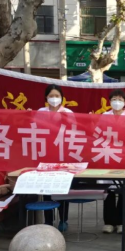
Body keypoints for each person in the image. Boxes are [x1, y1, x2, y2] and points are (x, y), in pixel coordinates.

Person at [38, 85, 73, 231]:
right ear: (46, 98)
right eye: (51, 96)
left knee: (62, 188)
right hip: (45, 155)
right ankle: (48, 220)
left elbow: (74, 131)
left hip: (63, 155)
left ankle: (63, 219)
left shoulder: (68, 113)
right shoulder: (40, 112)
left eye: (57, 96)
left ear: (62, 98)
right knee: (47, 190)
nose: (54, 99)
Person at [101, 89, 125, 234]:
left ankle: (123, 222)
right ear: (110, 101)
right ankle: (109, 222)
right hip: (108, 156)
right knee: (108, 190)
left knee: (124, 190)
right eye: (114, 99)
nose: (117, 102)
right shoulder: (104, 116)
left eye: (120, 99)